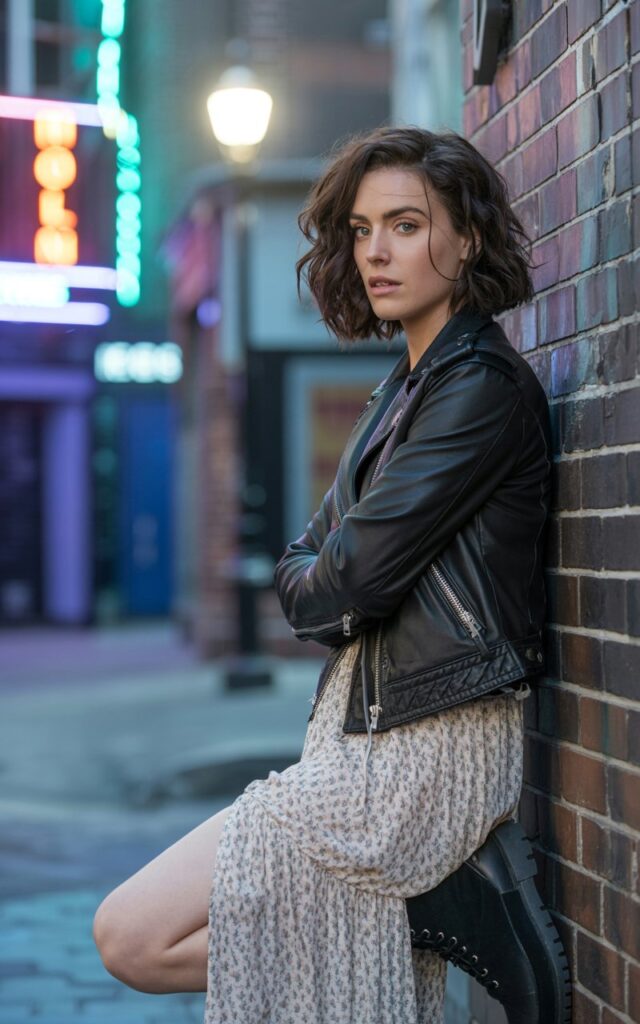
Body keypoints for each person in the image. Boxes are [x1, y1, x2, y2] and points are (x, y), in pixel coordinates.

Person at [93, 125, 554, 1024]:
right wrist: (318, 569)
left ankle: (435, 909)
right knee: (160, 946)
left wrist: (319, 570)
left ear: (466, 238)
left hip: (428, 751)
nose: (376, 251)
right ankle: (416, 922)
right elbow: (312, 565)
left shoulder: (478, 390)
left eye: (407, 225)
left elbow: (337, 586)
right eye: (361, 229)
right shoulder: (406, 389)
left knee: (132, 935)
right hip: (359, 738)